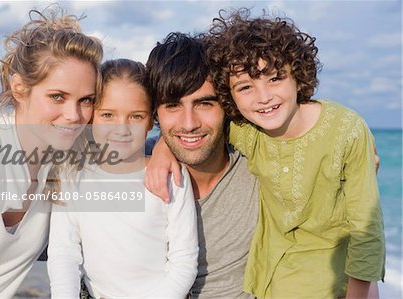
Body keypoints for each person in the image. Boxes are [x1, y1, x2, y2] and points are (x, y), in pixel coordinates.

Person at [205, 8, 385, 298]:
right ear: (230, 96)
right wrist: (162, 150)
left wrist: (359, 292)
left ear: (297, 77)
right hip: (269, 279)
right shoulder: (247, 131)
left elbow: (367, 226)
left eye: (275, 78)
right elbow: (196, 132)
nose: (263, 97)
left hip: (334, 280)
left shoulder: (347, 130)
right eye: (245, 87)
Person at [0, 6, 103, 298]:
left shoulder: (66, 160)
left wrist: (163, 151)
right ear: (20, 89)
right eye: (57, 96)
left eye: (86, 100)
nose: (74, 115)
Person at [47, 59, 198, 299]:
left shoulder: (172, 178)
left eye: (136, 116)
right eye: (107, 115)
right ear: (91, 118)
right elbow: (64, 253)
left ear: (151, 120)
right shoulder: (72, 177)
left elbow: (184, 260)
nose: (122, 129)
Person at [145, 32, 260, 298]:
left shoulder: (258, 164)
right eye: (172, 106)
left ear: (227, 105)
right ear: (155, 113)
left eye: (204, 103)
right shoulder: (134, 165)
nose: (189, 123)